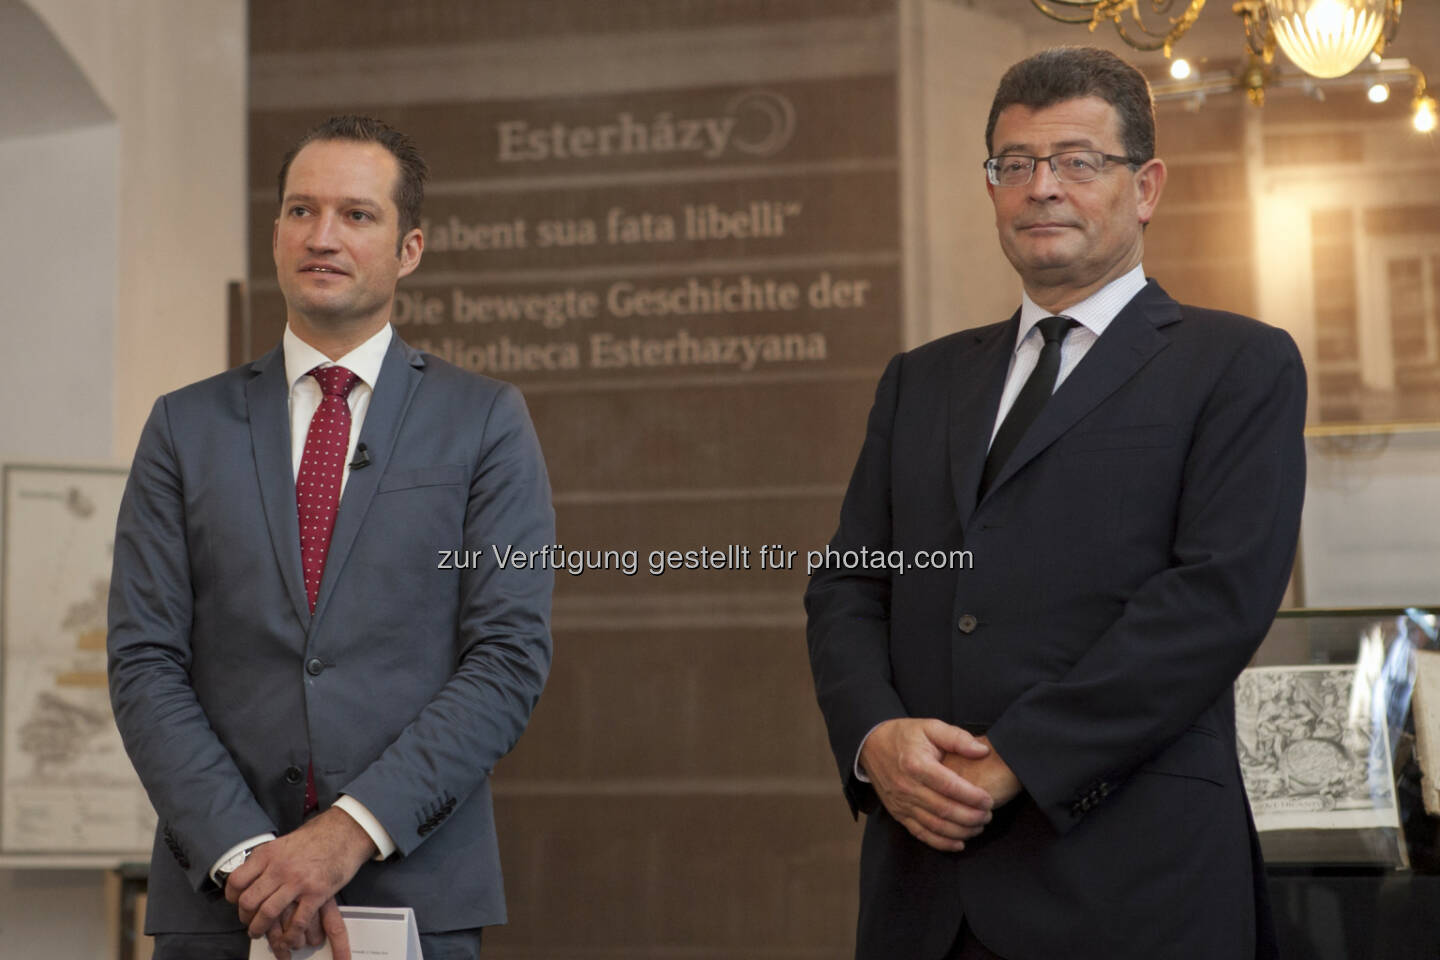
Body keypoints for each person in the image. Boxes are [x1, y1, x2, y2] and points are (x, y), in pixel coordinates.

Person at [804, 47, 1304, 960]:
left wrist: (1014, 762)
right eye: (1016, 165)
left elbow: (1213, 602)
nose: (1043, 188)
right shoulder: (922, 380)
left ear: (1144, 188)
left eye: (1079, 161)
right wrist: (873, 736)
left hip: (1130, 884)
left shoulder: (1237, 364)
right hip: (926, 890)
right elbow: (848, 586)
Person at [107, 115, 554, 960]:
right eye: (301, 211)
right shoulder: (183, 426)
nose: (323, 236)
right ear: (275, 234)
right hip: (217, 897)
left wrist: (343, 835)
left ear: (409, 248)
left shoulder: (486, 422)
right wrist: (252, 861)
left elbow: (507, 656)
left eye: (357, 214)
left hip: (414, 887)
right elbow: (143, 660)